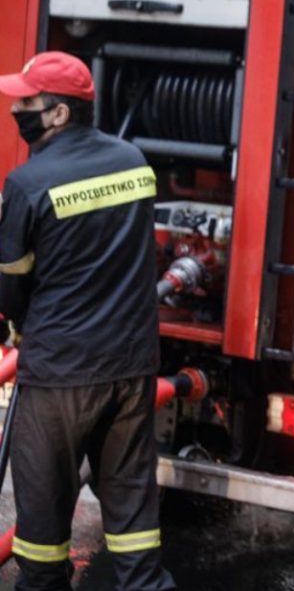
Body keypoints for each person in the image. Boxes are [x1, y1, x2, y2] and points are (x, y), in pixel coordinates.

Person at [0, 51, 174, 590]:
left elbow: (11, 281)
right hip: (131, 365)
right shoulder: (134, 164)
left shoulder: (28, 184)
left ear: (58, 114)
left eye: (27, 102)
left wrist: (21, 330)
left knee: (42, 525)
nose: (17, 110)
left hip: (60, 375)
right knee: (133, 517)